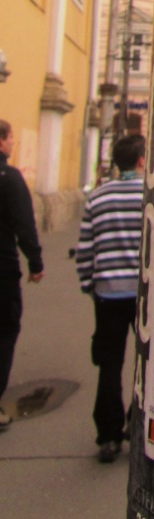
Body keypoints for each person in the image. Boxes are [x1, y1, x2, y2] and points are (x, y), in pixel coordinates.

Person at [76, 133, 144, 462]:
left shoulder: (98, 198)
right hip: (143, 296)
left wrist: (90, 285)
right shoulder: (150, 195)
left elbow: (85, 249)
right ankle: (136, 421)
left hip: (108, 294)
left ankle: (108, 435)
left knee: (110, 363)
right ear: (142, 161)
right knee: (148, 363)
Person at [0, 120, 44, 430]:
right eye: (11, 138)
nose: (13, 143)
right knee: (5, 331)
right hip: (2, 269)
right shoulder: (11, 179)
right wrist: (35, 262)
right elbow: (24, 225)